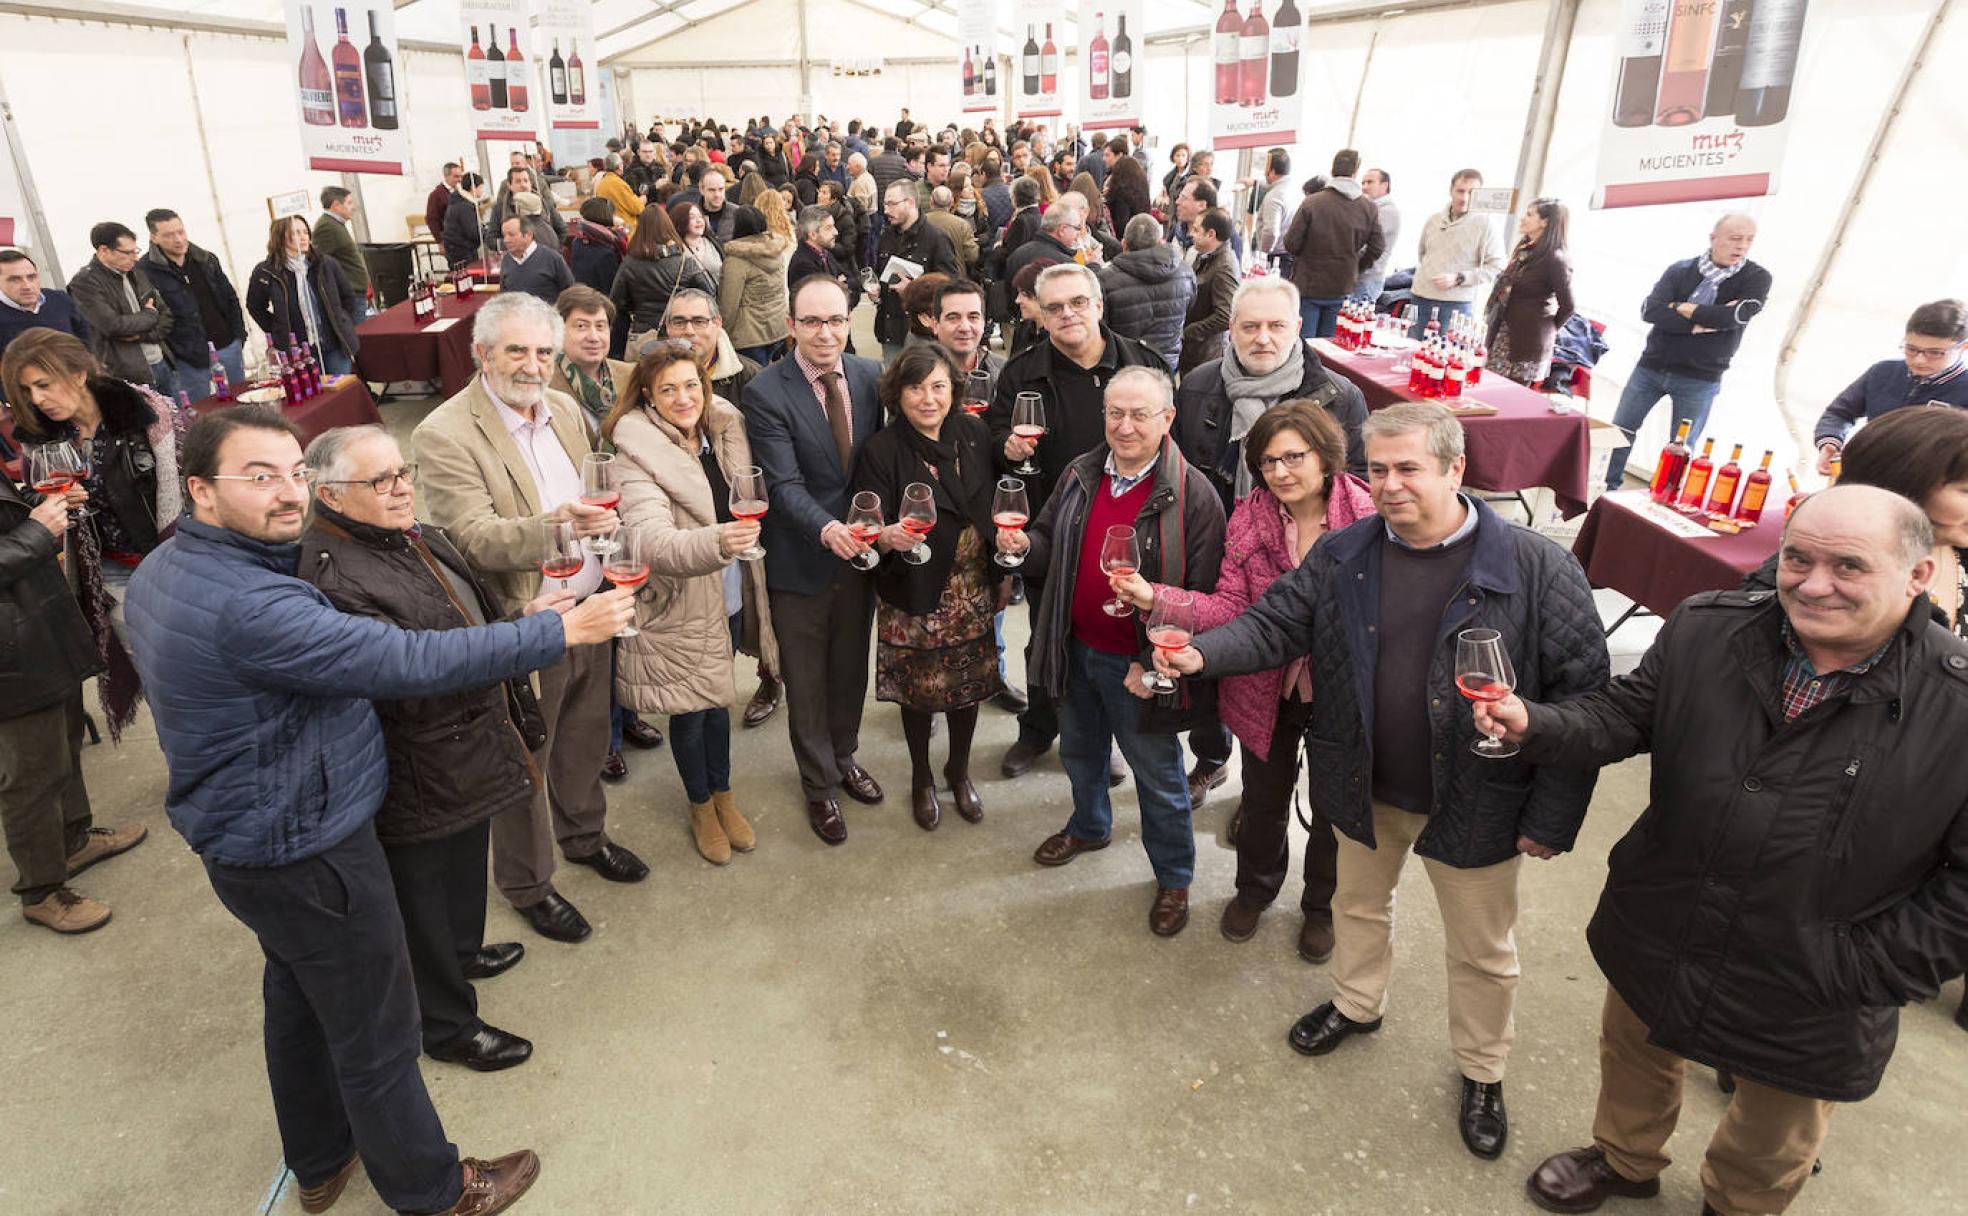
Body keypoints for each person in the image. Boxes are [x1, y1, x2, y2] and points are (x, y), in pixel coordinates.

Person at [125, 406, 627, 1214]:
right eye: (260, 476)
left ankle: (321, 1161)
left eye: (294, 471)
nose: (289, 494)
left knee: (296, 1000)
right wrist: (558, 633)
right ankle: (433, 1189)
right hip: (307, 843)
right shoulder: (256, 604)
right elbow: (402, 659)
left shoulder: (166, 567)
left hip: (247, 837)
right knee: (378, 1034)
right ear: (199, 490)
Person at [1489, 485, 1968, 1216]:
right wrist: (1536, 721)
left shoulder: (1957, 705)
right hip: (1666, 916)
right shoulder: (1708, 629)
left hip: (1818, 975)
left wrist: (1867, 969)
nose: (1813, 584)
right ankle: (1625, 1158)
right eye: (1797, 558)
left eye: (1848, 566)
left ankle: (1738, 1204)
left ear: (1918, 575)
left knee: (1775, 1129)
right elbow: (1624, 716)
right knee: (1636, 1054)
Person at [1159, 401, 1609, 1161]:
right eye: (1378, 469)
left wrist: (1552, 816)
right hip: (1366, 781)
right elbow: (1274, 624)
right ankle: (1356, 1004)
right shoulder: (1345, 553)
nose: (1391, 485)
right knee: (1360, 909)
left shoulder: (1537, 566)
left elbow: (1585, 700)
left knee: (1482, 951)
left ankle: (1481, 1071)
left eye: (1410, 468)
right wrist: (1204, 655)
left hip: (1477, 797)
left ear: (1456, 468)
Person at [297, 425, 539, 1073]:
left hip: (464, 741)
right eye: (381, 480)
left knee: (464, 867)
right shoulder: (333, 574)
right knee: (423, 899)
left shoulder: (405, 533)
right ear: (332, 496)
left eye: (402, 471)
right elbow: (405, 670)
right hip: (417, 761)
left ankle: (463, 956)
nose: (403, 487)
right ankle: (448, 1024)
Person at [414, 292, 653, 945]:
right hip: (525, 618)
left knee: (583, 733)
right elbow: (471, 538)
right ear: (482, 353)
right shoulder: (444, 432)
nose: (532, 364)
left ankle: (584, 836)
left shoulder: (568, 410)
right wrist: (554, 525)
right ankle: (527, 884)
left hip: (592, 602)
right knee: (524, 758)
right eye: (516, 349)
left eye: (543, 351)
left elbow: (598, 491)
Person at [1112, 400, 1375, 958]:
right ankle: (1254, 891)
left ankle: (1320, 908)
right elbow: (1231, 607)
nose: (1280, 472)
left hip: (1342, 695)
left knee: (1333, 809)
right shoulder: (1248, 518)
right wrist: (1154, 597)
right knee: (1262, 801)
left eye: (1293, 457)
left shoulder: (1371, 518)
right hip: (1266, 686)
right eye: (1268, 461)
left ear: (1326, 457)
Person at [994, 366, 1226, 936]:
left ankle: (1173, 875)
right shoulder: (1079, 472)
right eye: (1114, 413)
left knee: (1158, 776)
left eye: (1139, 414)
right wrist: (1026, 545)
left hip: (1138, 669)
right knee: (1080, 752)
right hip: (1074, 649)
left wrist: (1150, 665)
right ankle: (1090, 825)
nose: (1124, 426)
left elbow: (1205, 601)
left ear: (1167, 418)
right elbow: (1049, 544)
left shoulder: (1194, 496)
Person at [989, 263, 1164, 781]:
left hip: (1125, 534)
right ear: (1040, 316)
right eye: (1054, 307)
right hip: (1053, 533)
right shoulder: (1021, 373)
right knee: (1045, 636)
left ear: (1098, 305)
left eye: (1077, 303)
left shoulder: (1141, 363)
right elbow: (997, 435)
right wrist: (1007, 445)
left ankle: (1099, 740)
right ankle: (1038, 731)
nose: (1067, 315)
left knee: (1112, 641)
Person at [605, 342, 776, 865]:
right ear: (649, 399)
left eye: (691, 385)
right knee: (690, 709)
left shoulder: (723, 428)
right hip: (680, 594)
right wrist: (721, 543)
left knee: (717, 696)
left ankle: (724, 794)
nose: (684, 398)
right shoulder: (632, 452)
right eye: (668, 389)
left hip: (726, 589)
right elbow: (652, 541)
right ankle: (701, 806)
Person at [741, 275, 885, 844]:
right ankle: (818, 785)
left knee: (850, 668)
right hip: (802, 557)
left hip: (860, 558)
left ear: (850, 322)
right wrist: (828, 529)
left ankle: (844, 756)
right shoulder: (767, 392)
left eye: (836, 320)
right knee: (806, 679)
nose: (826, 333)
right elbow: (782, 482)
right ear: (790, 327)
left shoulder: (871, 376)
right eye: (812, 322)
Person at [853, 345, 1005, 828]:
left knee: (968, 689)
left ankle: (958, 773)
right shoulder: (882, 449)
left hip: (971, 586)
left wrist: (1003, 566)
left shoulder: (974, 433)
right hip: (915, 588)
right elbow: (864, 525)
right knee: (920, 694)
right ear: (897, 394)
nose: (928, 398)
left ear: (954, 390)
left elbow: (995, 505)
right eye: (915, 387)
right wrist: (886, 536)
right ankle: (921, 777)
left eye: (938, 386)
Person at [0, 462, 143, 934]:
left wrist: (36, 502)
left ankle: (74, 839)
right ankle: (41, 891)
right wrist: (38, 532)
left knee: (64, 744)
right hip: (10, 654)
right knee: (32, 775)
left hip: (35, 627)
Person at [1603, 214, 1771, 489]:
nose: (1741, 246)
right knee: (1620, 432)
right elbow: (1651, 310)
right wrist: (1698, 325)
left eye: (1749, 240)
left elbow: (1735, 317)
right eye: (1735, 238)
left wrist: (1683, 307)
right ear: (1713, 238)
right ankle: (1605, 489)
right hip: (1651, 367)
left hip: (1701, 378)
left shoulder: (1757, 278)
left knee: (1681, 448)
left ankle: (1663, 499)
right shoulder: (1680, 270)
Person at [1176, 278, 1371, 513]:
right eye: (1250, 326)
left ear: (1297, 328)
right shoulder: (1195, 386)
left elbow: (1359, 483)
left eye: (1277, 326)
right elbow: (1178, 472)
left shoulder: (1340, 397)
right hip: (1214, 531)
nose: (1263, 338)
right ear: (1232, 329)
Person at [1812, 299, 1968, 473]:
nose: (1919, 359)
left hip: (1926, 487)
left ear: (1964, 347)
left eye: (1935, 353)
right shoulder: (1883, 371)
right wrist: (1830, 442)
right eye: (1911, 349)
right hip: (1866, 473)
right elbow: (1839, 412)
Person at [1282, 149, 1385, 340]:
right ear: (1356, 171)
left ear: (1332, 170)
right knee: (1330, 348)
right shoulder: (1368, 207)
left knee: (1303, 345)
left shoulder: (1312, 203)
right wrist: (1356, 264)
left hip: (1308, 283)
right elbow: (1377, 247)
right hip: (1342, 285)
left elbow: (1290, 243)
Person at [142, 209, 247, 396]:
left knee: (242, 401)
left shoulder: (206, 259)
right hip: (188, 359)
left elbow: (230, 298)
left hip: (227, 345)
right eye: (169, 235)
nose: (178, 239)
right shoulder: (145, 271)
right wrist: (176, 354)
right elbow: (154, 317)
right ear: (154, 238)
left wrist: (239, 336)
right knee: (199, 413)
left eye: (181, 232)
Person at [68, 220, 179, 395]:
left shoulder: (137, 273)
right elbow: (113, 326)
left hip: (162, 363)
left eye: (135, 251)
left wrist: (142, 334)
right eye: (127, 253)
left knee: (179, 419)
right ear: (104, 251)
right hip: (129, 374)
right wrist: (150, 315)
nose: (134, 257)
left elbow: (166, 315)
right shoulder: (84, 283)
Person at [246, 214, 361, 377]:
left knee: (340, 390)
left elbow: (348, 296)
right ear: (280, 237)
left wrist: (343, 322)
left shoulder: (325, 263)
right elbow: (255, 306)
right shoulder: (266, 272)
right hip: (299, 349)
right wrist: (277, 329)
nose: (303, 237)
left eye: (305, 232)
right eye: (296, 233)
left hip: (334, 343)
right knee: (314, 394)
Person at [1483, 197, 1575, 388]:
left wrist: (1544, 327)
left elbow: (1568, 306)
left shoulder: (1555, 258)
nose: (1522, 218)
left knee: (1511, 397)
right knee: (1489, 388)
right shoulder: (1525, 250)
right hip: (1503, 331)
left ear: (1545, 222)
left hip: (1528, 340)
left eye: (1529, 214)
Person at [1406, 168, 1506, 339]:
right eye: (1460, 191)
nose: (1465, 198)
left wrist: (1459, 278)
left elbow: (1496, 267)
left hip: (1456, 305)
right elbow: (1422, 254)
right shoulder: (1434, 220)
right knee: (1409, 352)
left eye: (1472, 193)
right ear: (1450, 191)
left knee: (1443, 358)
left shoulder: (1486, 225)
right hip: (1420, 297)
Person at [611, 205, 718, 357]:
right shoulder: (684, 262)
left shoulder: (630, 263)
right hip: (679, 332)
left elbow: (617, 304)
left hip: (643, 334)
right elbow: (710, 293)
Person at [1098, 214, 1196, 374]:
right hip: (1167, 362)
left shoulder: (1105, 280)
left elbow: (1101, 327)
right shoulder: (1185, 272)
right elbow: (1189, 309)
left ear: (1124, 245)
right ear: (1160, 242)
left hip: (1125, 365)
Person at [874, 182, 958, 363]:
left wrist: (913, 291)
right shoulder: (886, 236)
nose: (886, 210)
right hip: (890, 331)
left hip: (924, 336)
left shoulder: (936, 238)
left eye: (892, 204)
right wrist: (877, 291)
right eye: (885, 204)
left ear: (910, 202)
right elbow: (880, 271)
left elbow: (951, 287)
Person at [548, 284, 635, 434]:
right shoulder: (546, 385)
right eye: (581, 326)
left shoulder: (631, 375)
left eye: (600, 326)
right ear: (559, 331)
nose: (594, 337)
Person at [717, 206, 793, 368]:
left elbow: (729, 304)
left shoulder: (736, 261)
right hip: (777, 327)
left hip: (749, 335)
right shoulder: (776, 251)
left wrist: (722, 333)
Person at [0, 251, 91, 372]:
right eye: (15, 280)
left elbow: (84, 340)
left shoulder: (60, 299)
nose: (27, 285)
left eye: (31, 277)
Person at [1180, 208, 1239, 375]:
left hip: (1207, 354)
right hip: (1196, 351)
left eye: (1197, 229)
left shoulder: (1223, 267)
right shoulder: (1205, 257)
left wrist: (1191, 332)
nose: (1191, 233)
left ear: (1211, 234)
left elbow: (1225, 315)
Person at [312, 186, 372, 310]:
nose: (353, 207)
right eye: (349, 203)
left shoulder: (335, 224)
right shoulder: (326, 227)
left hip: (355, 292)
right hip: (350, 294)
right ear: (336, 205)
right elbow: (317, 262)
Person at [496, 215, 576, 307]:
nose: (506, 240)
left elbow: (570, 292)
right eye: (504, 235)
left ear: (528, 235)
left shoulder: (552, 258)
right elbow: (504, 295)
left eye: (511, 235)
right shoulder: (507, 260)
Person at [789, 204, 853, 302]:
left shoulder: (825, 253)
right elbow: (825, 301)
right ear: (813, 234)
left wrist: (840, 286)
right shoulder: (803, 265)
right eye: (828, 228)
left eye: (833, 226)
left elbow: (852, 281)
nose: (835, 232)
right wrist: (839, 286)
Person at [565, 198, 626, 297]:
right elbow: (612, 288)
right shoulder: (607, 249)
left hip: (583, 294)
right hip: (600, 301)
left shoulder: (578, 240)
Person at [1356, 167, 1400, 303]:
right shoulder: (1370, 208)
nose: (1364, 187)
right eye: (1363, 183)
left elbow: (1365, 243)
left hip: (1367, 278)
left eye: (1370, 182)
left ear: (1384, 185)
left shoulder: (1386, 211)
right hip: (1360, 276)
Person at [1252, 148, 1296, 269]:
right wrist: (1254, 182)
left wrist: (1262, 256)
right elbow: (1269, 184)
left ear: (1271, 172)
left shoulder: (1273, 197)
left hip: (1274, 258)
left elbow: (1271, 232)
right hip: (1288, 255)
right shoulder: (1292, 188)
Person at [925, 187, 981, 282]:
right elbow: (972, 256)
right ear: (952, 202)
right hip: (955, 279)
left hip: (926, 278)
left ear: (931, 201)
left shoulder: (922, 222)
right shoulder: (962, 224)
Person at [669, 198, 724, 282]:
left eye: (700, 216)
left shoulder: (713, 242)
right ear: (681, 221)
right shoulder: (675, 249)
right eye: (692, 217)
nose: (699, 221)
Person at [442, 173, 488, 269]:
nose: (482, 191)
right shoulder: (466, 206)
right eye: (481, 187)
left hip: (454, 249)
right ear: (473, 187)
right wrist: (488, 232)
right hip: (462, 251)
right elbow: (474, 232)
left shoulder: (458, 201)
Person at [1102, 152, 1153, 238]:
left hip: (1124, 239)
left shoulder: (1119, 194)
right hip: (1141, 234)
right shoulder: (1143, 190)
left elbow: (1120, 225)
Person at [591, 155, 645, 222]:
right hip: (625, 227)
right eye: (622, 164)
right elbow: (636, 208)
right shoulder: (619, 184)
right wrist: (642, 200)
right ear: (619, 166)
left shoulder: (602, 183)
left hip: (611, 224)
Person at [426, 162, 464, 241]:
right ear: (446, 176)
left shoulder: (459, 191)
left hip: (461, 238)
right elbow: (432, 220)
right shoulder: (436, 195)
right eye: (456, 177)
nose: (460, 180)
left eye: (461, 176)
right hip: (449, 239)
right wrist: (440, 241)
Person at [698, 169, 738, 242]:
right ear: (702, 190)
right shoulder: (692, 215)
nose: (717, 195)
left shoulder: (737, 213)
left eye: (721, 189)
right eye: (712, 190)